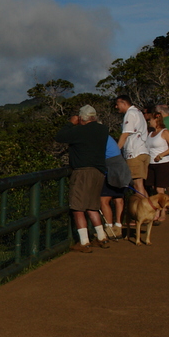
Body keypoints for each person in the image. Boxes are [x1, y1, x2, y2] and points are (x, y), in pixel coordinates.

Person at [53, 104, 110, 253]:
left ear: (82, 118)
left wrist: (71, 123)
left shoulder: (78, 131)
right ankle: (101, 237)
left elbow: (60, 136)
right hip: (99, 171)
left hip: (82, 172)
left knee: (78, 208)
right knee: (92, 206)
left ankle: (84, 242)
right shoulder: (103, 130)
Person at [115, 94, 150, 197]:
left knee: (137, 186)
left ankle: (145, 211)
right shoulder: (138, 112)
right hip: (143, 151)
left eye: (117, 104)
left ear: (123, 103)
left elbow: (125, 134)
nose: (116, 107)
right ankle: (152, 211)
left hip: (134, 153)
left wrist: (115, 152)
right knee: (140, 186)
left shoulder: (130, 114)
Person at [146, 112, 169, 224]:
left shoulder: (164, 132)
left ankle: (162, 212)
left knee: (160, 189)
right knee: (153, 188)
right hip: (151, 163)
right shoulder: (150, 133)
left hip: (163, 163)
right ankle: (155, 210)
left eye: (150, 120)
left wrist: (161, 155)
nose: (149, 122)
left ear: (156, 120)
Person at [100, 134, 127, 239]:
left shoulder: (100, 139)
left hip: (111, 171)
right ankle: (118, 226)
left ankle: (109, 228)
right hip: (121, 168)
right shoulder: (109, 138)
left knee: (104, 200)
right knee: (118, 198)